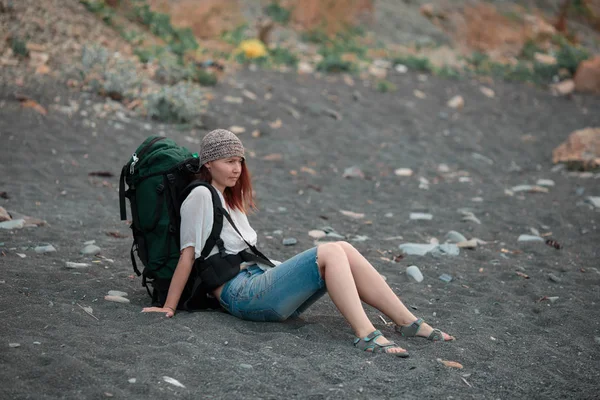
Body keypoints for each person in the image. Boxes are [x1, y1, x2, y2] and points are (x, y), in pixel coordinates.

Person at [142, 129, 455, 357]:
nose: (237, 168)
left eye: (239, 161)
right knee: (331, 250)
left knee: (342, 247)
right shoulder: (200, 196)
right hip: (240, 294)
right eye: (228, 161)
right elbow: (188, 255)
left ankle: (407, 322)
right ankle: (365, 334)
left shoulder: (227, 197)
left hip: (255, 279)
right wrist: (168, 307)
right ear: (209, 163)